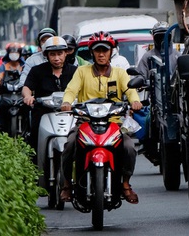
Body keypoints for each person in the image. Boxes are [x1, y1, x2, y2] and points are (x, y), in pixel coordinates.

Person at [59, 31, 143, 204]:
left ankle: (126, 184)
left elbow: (131, 91)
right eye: (98, 50)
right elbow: (71, 90)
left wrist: (135, 101)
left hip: (114, 124)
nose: (101, 54)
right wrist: (67, 102)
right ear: (92, 53)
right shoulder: (82, 72)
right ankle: (67, 184)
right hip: (85, 123)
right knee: (68, 146)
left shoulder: (120, 73)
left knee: (129, 147)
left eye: (105, 50)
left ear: (111, 52)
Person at [22, 36, 77, 149]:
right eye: (52, 54)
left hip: (70, 112)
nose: (57, 58)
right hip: (43, 112)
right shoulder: (37, 71)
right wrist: (28, 96)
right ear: (46, 55)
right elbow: (27, 87)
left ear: (66, 53)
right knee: (34, 135)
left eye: (60, 53)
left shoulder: (75, 71)